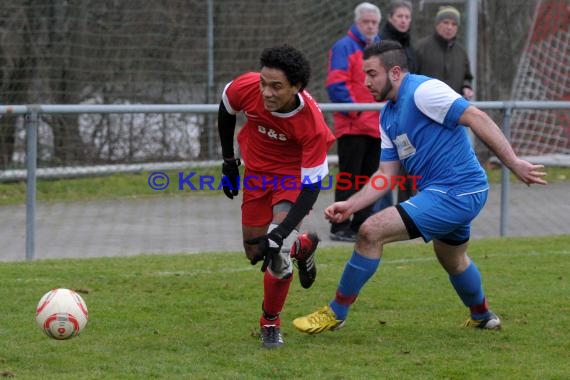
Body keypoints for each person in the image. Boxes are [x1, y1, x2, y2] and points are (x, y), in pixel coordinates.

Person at [292, 40, 547, 335]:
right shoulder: (388, 115)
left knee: (370, 231)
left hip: (458, 190)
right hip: (445, 193)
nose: (366, 82)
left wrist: (512, 162)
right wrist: (351, 205)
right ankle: (483, 316)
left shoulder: (424, 91)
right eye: (364, 74)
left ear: (396, 72)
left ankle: (335, 313)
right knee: (453, 259)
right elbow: (386, 174)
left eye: (372, 74)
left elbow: (475, 117)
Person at [217, 44, 336, 349]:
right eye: (263, 84)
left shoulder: (311, 124)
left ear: (296, 87)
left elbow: (311, 189)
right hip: (256, 176)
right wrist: (229, 162)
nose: (266, 92)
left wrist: (281, 233)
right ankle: (304, 246)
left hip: (292, 179)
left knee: (276, 249)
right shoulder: (248, 87)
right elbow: (226, 107)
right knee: (255, 252)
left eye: (276, 87)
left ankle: (270, 321)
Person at [326, 2, 392, 243]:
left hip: (376, 125)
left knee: (369, 178)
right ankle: (339, 225)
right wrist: (357, 112)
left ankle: (361, 223)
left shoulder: (379, 49)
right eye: (366, 22)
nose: (371, 26)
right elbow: (336, 85)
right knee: (349, 177)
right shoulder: (343, 47)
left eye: (374, 22)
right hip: (353, 126)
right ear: (357, 22)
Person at [379, 0, 417, 203]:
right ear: (390, 18)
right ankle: (381, 213)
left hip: (408, 111)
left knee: (408, 163)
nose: (404, 21)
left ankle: (406, 209)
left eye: (407, 17)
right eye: (400, 16)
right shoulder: (382, 43)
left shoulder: (409, 44)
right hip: (390, 111)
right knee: (386, 167)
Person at [415, 6, 474, 100]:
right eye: (446, 22)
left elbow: (467, 77)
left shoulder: (461, 52)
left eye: (454, 24)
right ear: (437, 24)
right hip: (426, 106)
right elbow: (411, 77)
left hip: (454, 107)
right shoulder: (421, 48)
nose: (449, 27)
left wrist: (466, 87)